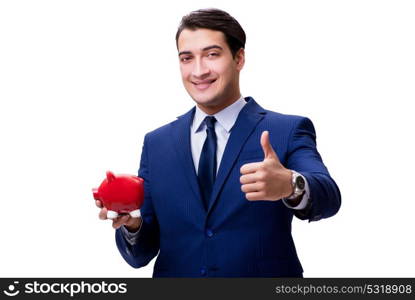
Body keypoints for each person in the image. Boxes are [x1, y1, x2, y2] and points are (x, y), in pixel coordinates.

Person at [95, 8, 341, 277]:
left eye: (212, 55)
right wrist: (132, 226)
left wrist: (290, 184)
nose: (199, 70)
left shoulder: (286, 130)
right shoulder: (157, 143)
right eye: (187, 58)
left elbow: (329, 197)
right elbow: (142, 253)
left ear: (239, 58)